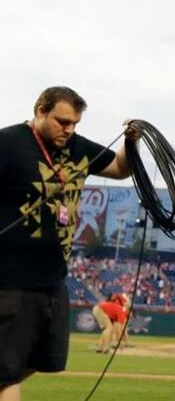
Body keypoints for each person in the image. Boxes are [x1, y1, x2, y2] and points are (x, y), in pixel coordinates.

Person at [0, 86, 136, 401]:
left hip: (53, 279)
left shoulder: (77, 147)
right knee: (7, 370)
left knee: (45, 359)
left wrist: (131, 141)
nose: (69, 129)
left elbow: (120, 168)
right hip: (10, 280)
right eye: (62, 121)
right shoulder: (8, 143)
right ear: (40, 111)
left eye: (74, 123)